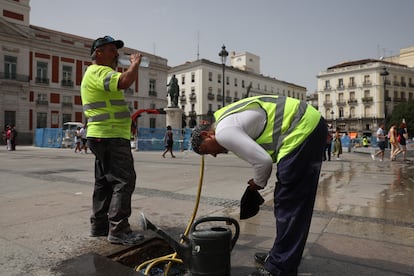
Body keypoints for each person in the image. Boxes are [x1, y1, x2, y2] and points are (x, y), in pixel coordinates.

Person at [190, 95, 327, 276]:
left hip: (302, 128)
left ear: (206, 134)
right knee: (286, 201)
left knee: (290, 204)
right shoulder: (226, 119)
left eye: (207, 150)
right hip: (304, 126)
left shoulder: (223, 131)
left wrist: (257, 184)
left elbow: (263, 162)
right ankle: (279, 258)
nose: (214, 155)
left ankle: (279, 269)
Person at [80, 35, 144, 245]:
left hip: (101, 136)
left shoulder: (93, 73)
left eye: (115, 50)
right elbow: (124, 82)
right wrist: (135, 64)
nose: (115, 54)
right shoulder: (100, 71)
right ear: (98, 53)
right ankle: (119, 229)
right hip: (111, 136)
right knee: (124, 181)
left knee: (104, 183)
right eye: (110, 50)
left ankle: (99, 226)